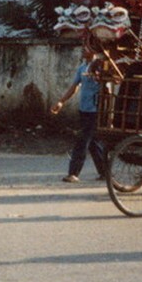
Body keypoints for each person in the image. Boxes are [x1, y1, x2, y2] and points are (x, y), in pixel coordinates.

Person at [51, 45, 108, 182]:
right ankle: (105, 172)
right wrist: (61, 102)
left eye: (86, 48)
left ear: (93, 51)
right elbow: (74, 87)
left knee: (82, 140)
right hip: (84, 109)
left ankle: (73, 173)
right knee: (93, 142)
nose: (83, 50)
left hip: (95, 110)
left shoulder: (100, 66)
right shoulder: (82, 67)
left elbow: (107, 87)